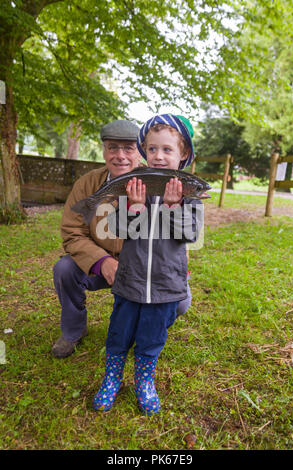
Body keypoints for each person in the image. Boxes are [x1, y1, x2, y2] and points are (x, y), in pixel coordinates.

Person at [52, 119, 192, 359]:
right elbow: (72, 232)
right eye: (112, 147)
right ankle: (74, 330)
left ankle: (146, 329)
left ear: (140, 153)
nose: (120, 156)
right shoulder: (87, 184)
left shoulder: (162, 184)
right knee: (64, 269)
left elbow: (181, 238)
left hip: (145, 270)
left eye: (128, 148)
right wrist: (101, 261)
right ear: (104, 151)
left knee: (180, 301)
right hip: (102, 266)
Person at [92, 114, 203, 415]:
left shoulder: (189, 194)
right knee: (119, 331)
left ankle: (144, 379)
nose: (159, 156)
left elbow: (190, 233)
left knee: (152, 336)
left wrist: (173, 207)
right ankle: (112, 377)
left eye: (168, 150)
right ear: (144, 152)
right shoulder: (136, 185)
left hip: (166, 284)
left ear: (184, 156)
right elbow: (118, 230)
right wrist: (135, 207)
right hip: (131, 279)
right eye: (152, 149)